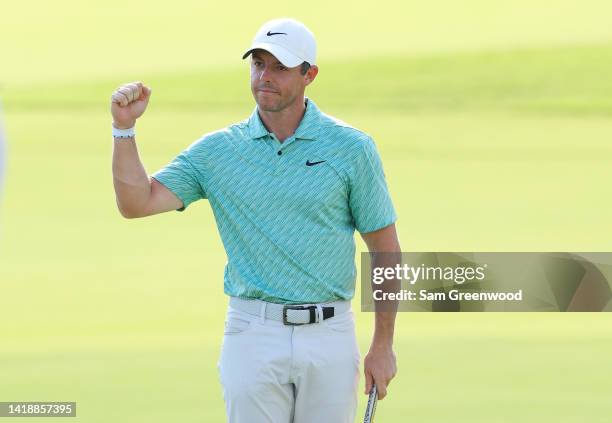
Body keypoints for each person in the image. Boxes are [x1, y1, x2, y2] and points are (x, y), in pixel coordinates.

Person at [110, 17, 400, 423]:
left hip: (330, 332)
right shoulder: (218, 151)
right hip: (252, 332)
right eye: (258, 64)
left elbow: (386, 252)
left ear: (309, 74)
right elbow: (136, 203)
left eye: (280, 67)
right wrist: (124, 131)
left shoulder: (351, 149)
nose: (265, 76)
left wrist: (383, 345)